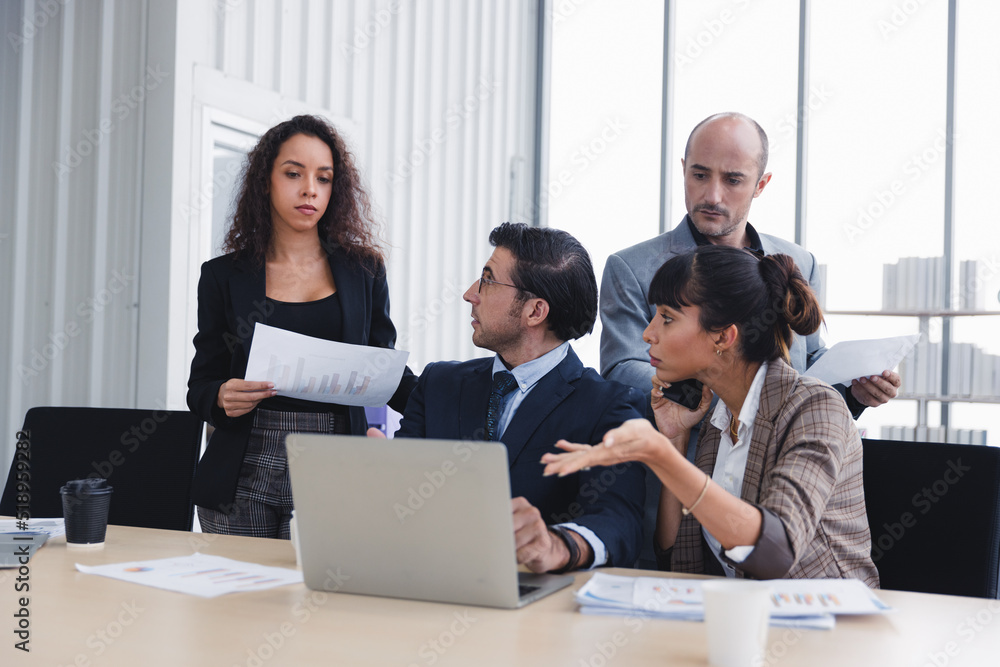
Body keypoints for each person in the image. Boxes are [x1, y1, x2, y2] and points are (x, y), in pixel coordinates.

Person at [544, 245, 879, 586]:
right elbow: (676, 556)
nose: (648, 333)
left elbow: (774, 553)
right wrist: (674, 441)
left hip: (828, 626)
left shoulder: (816, 407)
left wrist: (659, 456)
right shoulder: (719, 417)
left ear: (723, 336)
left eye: (667, 317)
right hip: (744, 622)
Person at [187, 115, 416, 538]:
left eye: (324, 178)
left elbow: (385, 370)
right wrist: (220, 396)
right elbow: (200, 386)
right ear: (265, 181)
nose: (310, 188)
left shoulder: (364, 271)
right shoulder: (222, 275)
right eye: (294, 173)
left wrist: (455, 405)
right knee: (239, 601)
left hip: (335, 463)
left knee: (322, 601)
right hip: (242, 464)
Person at [379, 223, 646, 573]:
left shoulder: (609, 406)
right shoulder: (438, 383)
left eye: (488, 280)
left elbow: (618, 521)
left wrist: (559, 545)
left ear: (535, 311)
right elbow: (400, 497)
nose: (470, 293)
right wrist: (377, 474)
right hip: (427, 586)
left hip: (536, 604)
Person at [600, 112, 900, 419]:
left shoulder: (799, 262)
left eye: (732, 180)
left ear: (761, 184)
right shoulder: (631, 267)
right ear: (684, 170)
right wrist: (731, 398)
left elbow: (807, 361)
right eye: (699, 175)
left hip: (784, 455)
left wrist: (854, 390)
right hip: (690, 454)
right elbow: (623, 370)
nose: (712, 195)